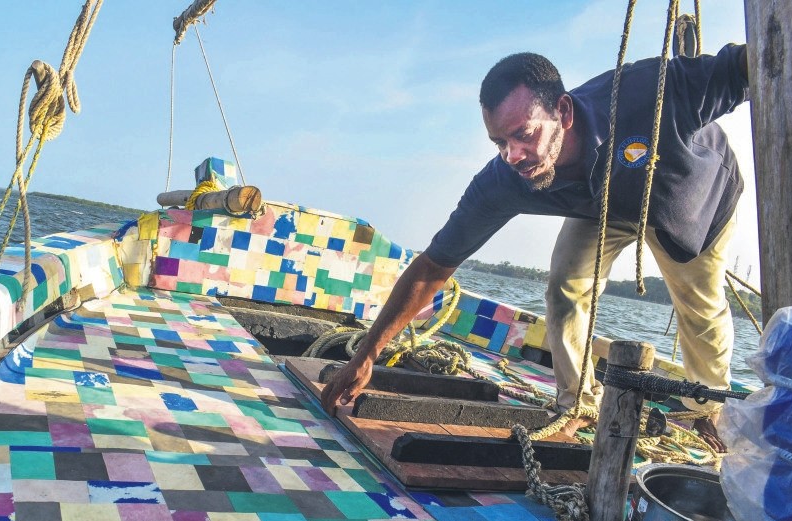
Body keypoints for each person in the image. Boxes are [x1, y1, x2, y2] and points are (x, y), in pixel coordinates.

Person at [320, 44, 750, 451]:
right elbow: (436, 264)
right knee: (565, 288)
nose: (513, 155)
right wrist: (366, 354)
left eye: (524, 134)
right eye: (500, 143)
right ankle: (578, 402)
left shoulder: (648, 91)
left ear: (562, 112)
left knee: (700, 305)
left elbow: (746, 66)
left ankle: (707, 409)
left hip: (692, 195)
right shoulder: (507, 179)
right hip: (603, 207)